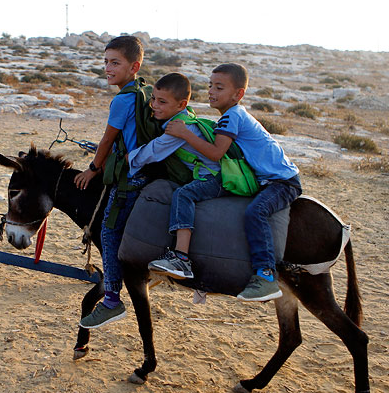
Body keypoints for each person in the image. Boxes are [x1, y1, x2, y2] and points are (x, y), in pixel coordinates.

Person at [161, 63, 302, 301]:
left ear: (238, 94)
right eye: (210, 86)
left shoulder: (232, 116)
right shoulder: (232, 116)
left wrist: (184, 133)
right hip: (265, 179)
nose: (211, 92)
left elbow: (215, 153)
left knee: (255, 213)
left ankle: (266, 275)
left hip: (282, 181)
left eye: (219, 87)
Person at [74, 35, 147, 328]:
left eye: (115, 62)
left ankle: (112, 300)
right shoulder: (145, 92)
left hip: (130, 179)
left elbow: (108, 139)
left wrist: (93, 168)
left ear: (134, 66)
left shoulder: (122, 99)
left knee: (107, 232)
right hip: (147, 170)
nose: (108, 68)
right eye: (105, 62)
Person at [128, 73, 221, 280]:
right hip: (206, 174)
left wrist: (125, 158)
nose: (154, 105)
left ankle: (181, 258)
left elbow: (151, 152)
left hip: (213, 178)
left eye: (162, 102)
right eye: (152, 99)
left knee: (183, 195)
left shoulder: (177, 128)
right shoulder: (185, 116)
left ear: (181, 105)